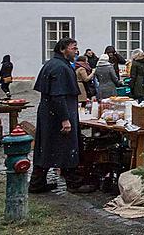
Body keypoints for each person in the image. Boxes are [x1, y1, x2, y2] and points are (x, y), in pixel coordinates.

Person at [31, 37, 96, 194]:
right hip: (58, 115)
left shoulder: (53, 64)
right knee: (67, 147)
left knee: (46, 148)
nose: (76, 50)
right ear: (62, 49)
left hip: (49, 114)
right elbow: (58, 95)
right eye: (73, 48)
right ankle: (73, 182)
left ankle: (37, 183)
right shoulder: (60, 67)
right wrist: (65, 119)